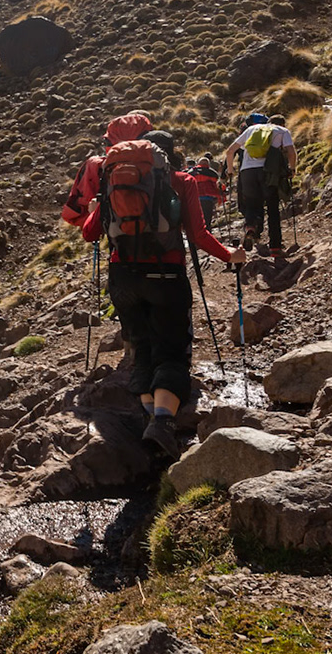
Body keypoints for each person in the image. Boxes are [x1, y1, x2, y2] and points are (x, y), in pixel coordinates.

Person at [64, 112, 247, 459]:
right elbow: (198, 235)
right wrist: (230, 256)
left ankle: (150, 417)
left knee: (143, 347)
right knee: (173, 349)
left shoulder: (110, 180)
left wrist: (92, 209)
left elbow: (90, 233)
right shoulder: (182, 180)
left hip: (123, 278)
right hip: (165, 275)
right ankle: (162, 423)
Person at [224, 111, 297, 255]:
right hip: (269, 172)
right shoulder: (282, 131)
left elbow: (230, 151)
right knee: (272, 208)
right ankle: (275, 247)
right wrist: (292, 169)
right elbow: (291, 152)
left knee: (252, 205)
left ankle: (250, 228)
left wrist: (230, 170)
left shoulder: (251, 129)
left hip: (247, 172)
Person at [186, 154, 225, 227]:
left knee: (195, 220)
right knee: (207, 221)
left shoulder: (191, 172)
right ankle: (207, 234)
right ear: (208, 164)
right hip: (208, 199)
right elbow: (217, 187)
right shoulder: (213, 173)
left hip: (194, 199)